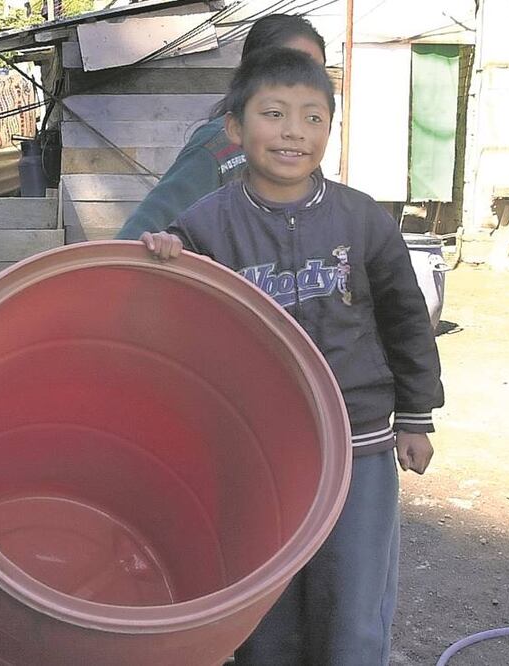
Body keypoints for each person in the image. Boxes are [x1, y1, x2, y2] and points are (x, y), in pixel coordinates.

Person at [142, 47, 443, 665]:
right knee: (264, 605)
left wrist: (416, 416)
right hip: (260, 449)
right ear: (235, 128)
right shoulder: (205, 226)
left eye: (312, 118)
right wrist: (164, 253)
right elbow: (173, 319)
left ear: (330, 129)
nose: (293, 133)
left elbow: (406, 320)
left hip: (357, 442)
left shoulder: (363, 219)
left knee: (353, 603)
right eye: (273, 114)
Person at [115, 14, 326, 240]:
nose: (308, 82)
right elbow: (134, 240)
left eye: (316, 72)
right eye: (292, 67)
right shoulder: (220, 146)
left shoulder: (302, 153)